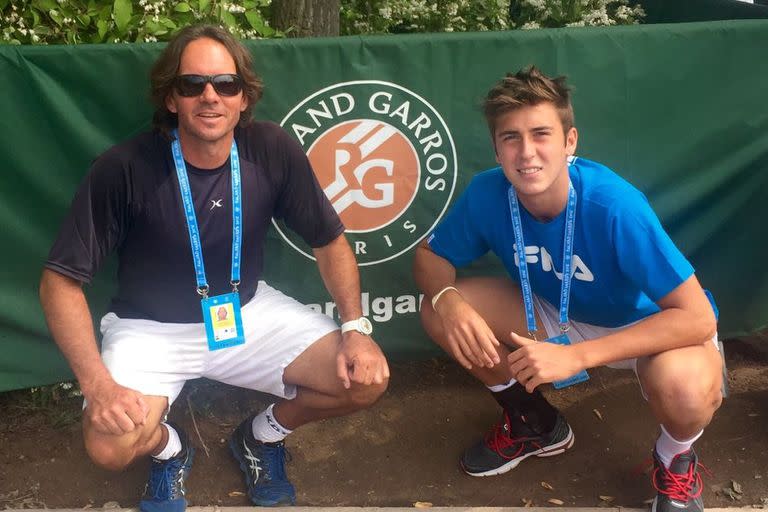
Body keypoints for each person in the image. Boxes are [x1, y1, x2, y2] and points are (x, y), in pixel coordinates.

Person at [39, 24, 389, 512]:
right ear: (170, 98)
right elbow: (60, 282)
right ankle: (170, 448)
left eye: (226, 84)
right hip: (150, 330)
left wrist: (354, 327)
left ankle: (260, 436)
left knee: (366, 380)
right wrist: (98, 386)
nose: (210, 96)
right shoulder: (123, 167)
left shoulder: (270, 147)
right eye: (192, 85)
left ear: (244, 97)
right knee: (109, 448)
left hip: (246, 312)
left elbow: (328, 239)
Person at [413, 66, 722, 512]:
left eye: (541, 134)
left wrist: (576, 356)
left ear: (569, 142)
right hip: (559, 313)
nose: (527, 153)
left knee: (686, 391)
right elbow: (429, 257)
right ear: (496, 149)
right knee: (436, 311)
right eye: (511, 138)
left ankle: (675, 458)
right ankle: (534, 423)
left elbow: (697, 317)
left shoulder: (613, 204)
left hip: (648, 328)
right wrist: (448, 300)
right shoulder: (488, 192)